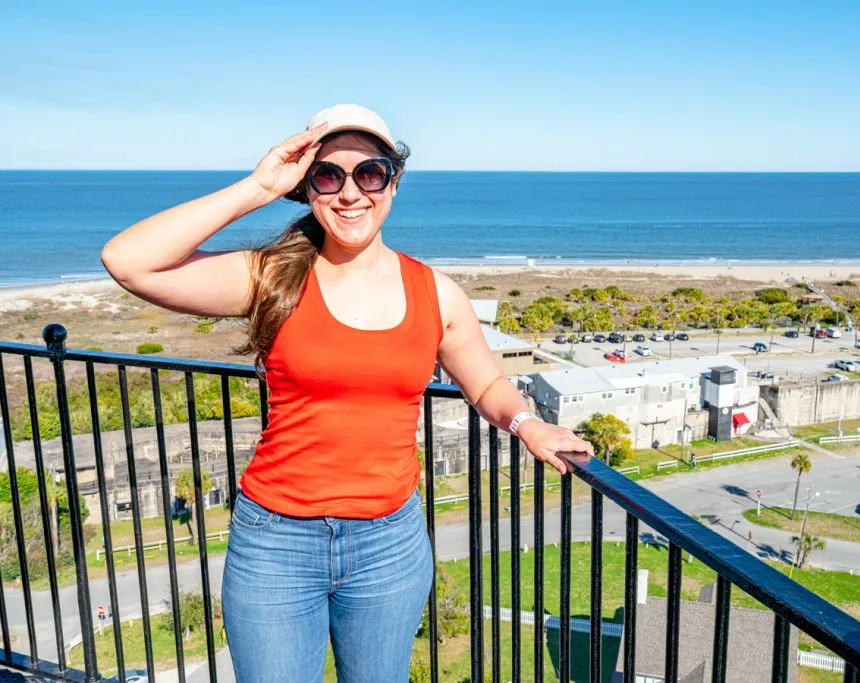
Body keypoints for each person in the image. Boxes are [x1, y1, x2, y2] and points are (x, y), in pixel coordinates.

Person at [101, 103, 594, 682]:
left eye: (370, 173)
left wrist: (525, 423)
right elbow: (129, 261)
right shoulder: (269, 277)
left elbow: (484, 381)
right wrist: (257, 187)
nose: (349, 193)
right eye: (328, 175)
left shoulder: (436, 294)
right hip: (276, 543)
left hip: (389, 543)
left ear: (393, 181)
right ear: (307, 186)